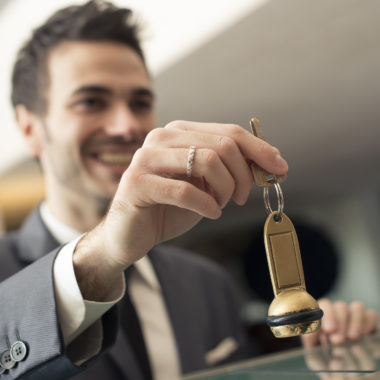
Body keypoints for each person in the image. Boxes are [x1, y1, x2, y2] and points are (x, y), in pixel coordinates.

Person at [0, 1, 377, 379]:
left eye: (140, 102)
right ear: (30, 128)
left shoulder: (207, 284)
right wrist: (102, 256)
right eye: (91, 102)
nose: (125, 125)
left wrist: (324, 360)